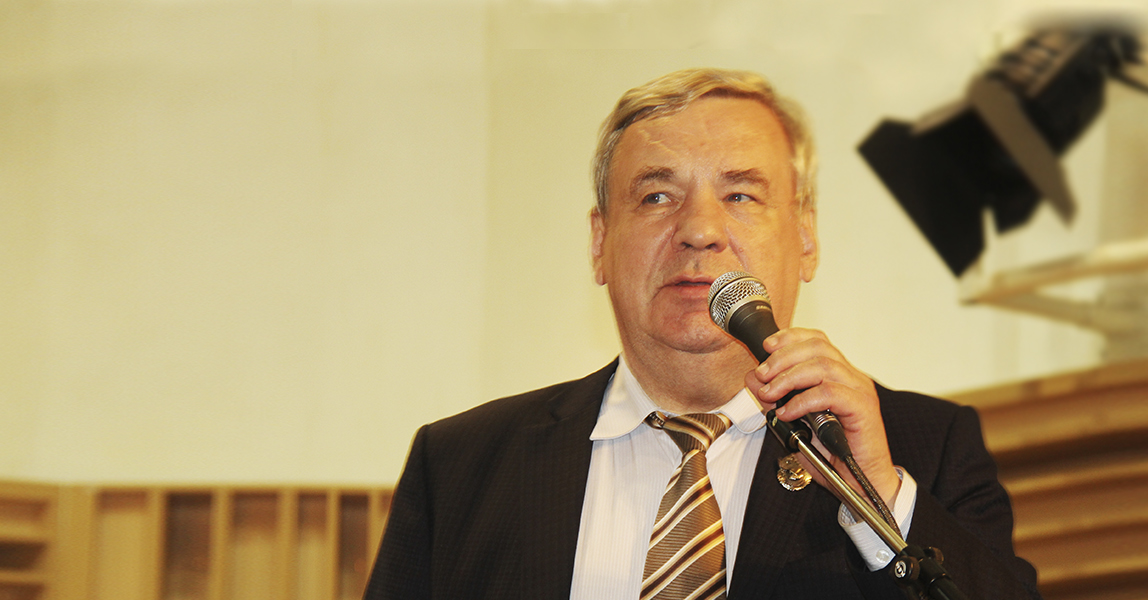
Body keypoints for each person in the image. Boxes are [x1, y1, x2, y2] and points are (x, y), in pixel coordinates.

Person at [365, 68, 1042, 600]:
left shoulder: (926, 451)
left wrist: (877, 496)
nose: (700, 230)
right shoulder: (458, 468)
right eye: (656, 196)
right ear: (600, 242)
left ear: (805, 238)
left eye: (741, 194)